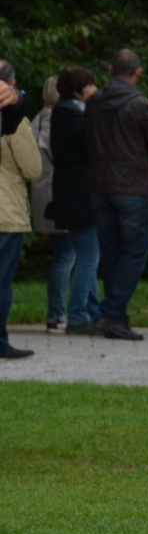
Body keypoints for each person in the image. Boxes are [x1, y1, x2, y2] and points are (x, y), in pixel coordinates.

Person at [85, 50, 148, 342]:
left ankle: (115, 316)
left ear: (109, 69)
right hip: (132, 188)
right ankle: (112, 313)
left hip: (100, 186)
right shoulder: (139, 104)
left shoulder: (93, 102)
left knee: (111, 252)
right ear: (138, 72)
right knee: (134, 251)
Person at [47, 67, 102, 336]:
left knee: (85, 253)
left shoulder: (63, 115)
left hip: (70, 193)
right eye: (91, 85)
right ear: (79, 91)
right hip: (81, 195)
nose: (95, 89)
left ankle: (91, 310)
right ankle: (79, 314)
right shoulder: (76, 120)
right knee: (89, 255)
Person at [0, 64, 43, 359]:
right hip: (5, 210)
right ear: (12, 84)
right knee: (1, 281)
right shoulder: (14, 120)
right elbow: (32, 168)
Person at [29, 74, 64, 331]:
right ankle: (57, 312)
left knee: (61, 253)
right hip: (62, 195)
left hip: (41, 195)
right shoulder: (63, 121)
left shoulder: (35, 122)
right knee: (68, 255)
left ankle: (57, 312)